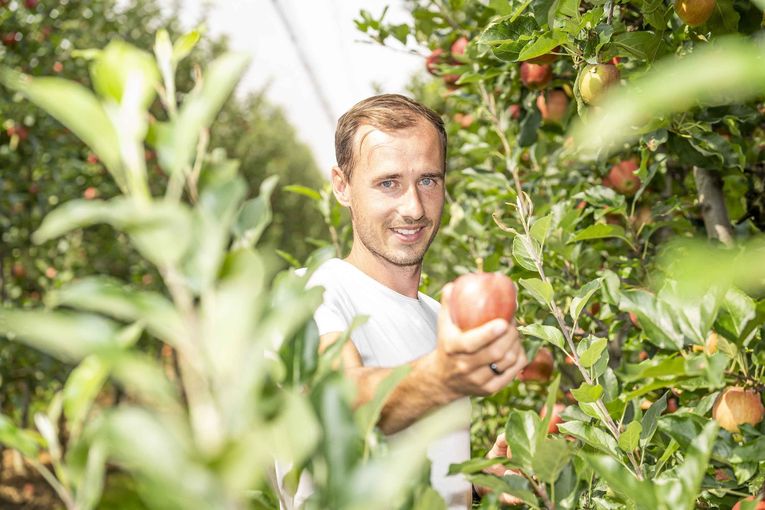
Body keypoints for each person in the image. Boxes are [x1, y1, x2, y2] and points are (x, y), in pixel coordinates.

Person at [299, 94, 527, 508]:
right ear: (342, 186)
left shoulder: (440, 317)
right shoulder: (312, 293)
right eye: (388, 183)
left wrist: (473, 485)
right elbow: (340, 403)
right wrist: (443, 376)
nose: (414, 207)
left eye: (428, 180)